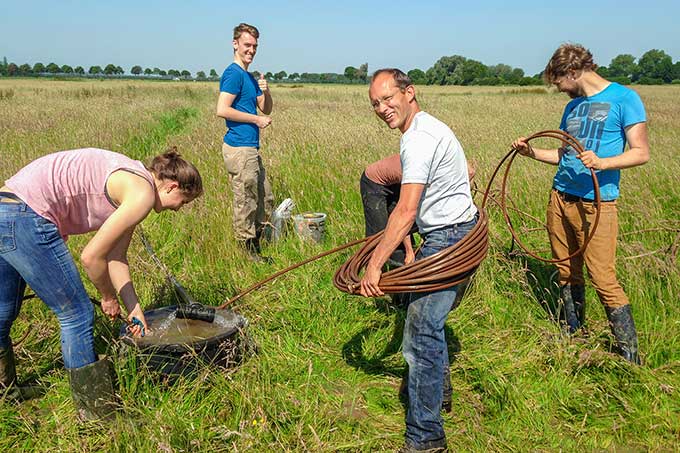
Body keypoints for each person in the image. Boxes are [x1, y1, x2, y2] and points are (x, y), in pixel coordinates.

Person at [0, 147, 203, 419]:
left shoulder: (135, 182)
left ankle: (6, 391)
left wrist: (134, 312)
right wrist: (108, 296)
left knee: (3, 312)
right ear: (172, 186)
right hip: (28, 216)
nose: (179, 209)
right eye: (184, 201)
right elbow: (92, 257)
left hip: (6, 207)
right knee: (77, 314)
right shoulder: (142, 194)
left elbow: (117, 257)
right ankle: (96, 413)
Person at [360, 69, 477, 453]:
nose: (382, 108)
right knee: (429, 324)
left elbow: (406, 210)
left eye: (388, 99)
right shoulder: (429, 128)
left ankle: (426, 439)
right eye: (375, 103)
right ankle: (438, 393)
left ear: (410, 93)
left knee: (420, 336)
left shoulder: (419, 139)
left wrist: (376, 264)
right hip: (457, 234)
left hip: (448, 239)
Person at [512, 43, 650, 364]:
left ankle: (630, 358)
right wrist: (531, 153)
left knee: (603, 277)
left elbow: (641, 152)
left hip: (596, 204)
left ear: (573, 72)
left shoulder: (625, 98)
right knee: (565, 272)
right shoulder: (573, 108)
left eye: (560, 81)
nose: (559, 88)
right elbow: (563, 155)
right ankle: (574, 337)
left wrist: (603, 163)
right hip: (560, 198)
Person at [216, 22, 274, 262]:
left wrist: (266, 91)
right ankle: (248, 251)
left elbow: (266, 107)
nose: (251, 50)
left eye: (255, 46)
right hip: (239, 147)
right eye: (247, 45)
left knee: (265, 197)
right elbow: (222, 109)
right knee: (245, 198)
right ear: (235, 44)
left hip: (251, 147)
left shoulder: (249, 77)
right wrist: (255, 120)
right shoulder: (233, 74)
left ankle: (259, 242)